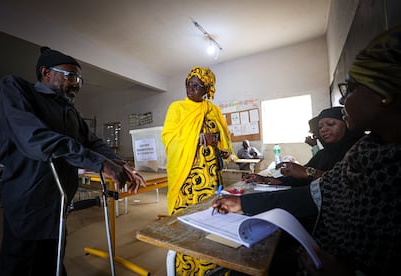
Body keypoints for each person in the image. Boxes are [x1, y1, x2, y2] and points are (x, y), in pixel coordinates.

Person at [212, 25, 401, 275]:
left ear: (384, 94)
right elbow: (314, 194)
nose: (344, 100)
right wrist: (244, 200)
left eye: (352, 89)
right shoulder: (365, 152)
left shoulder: (369, 156)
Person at [0, 46, 146, 276]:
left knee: (53, 262)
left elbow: (92, 142)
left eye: (79, 80)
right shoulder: (15, 89)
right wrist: (102, 165)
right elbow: (37, 140)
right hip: (27, 203)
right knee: (20, 265)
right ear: (46, 72)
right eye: (71, 76)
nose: (76, 84)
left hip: (58, 203)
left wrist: (119, 163)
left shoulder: (70, 111)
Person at [161, 66, 234, 274]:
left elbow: (223, 136)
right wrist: (199, 138)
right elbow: (169, 137)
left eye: (197, 85)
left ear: (208, 89)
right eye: (188, 84)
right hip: (188, 177)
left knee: (212, 219)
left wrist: (221, 143)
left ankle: (214, 266)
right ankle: (186, 269)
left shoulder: (213, 110)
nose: (191, 88)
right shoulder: (177, 108)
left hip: (211, 177)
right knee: (189, 223)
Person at [243, 106, 363, 186]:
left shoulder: (359, 151)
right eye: (320, 127)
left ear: (347, 124)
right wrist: (266, 180)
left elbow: (345, 184)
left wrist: (309, 172)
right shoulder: (323, 154)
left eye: (330, 124)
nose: (323, 130)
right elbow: (300, 177)